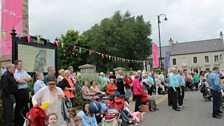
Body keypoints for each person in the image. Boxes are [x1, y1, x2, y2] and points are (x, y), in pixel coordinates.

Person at [14, 60, 32, 126]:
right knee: (19, 107)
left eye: (22, 64)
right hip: (19, 92)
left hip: (25, 91)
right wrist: (25, 80)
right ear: (16, 65)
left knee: (25, 107)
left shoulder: (23, 71)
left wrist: (23, 79)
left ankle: (25, 122)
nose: (22, 65)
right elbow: (19, 81)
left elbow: (30, 78)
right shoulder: (15, 72)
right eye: (20, 64)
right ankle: (18, 123)